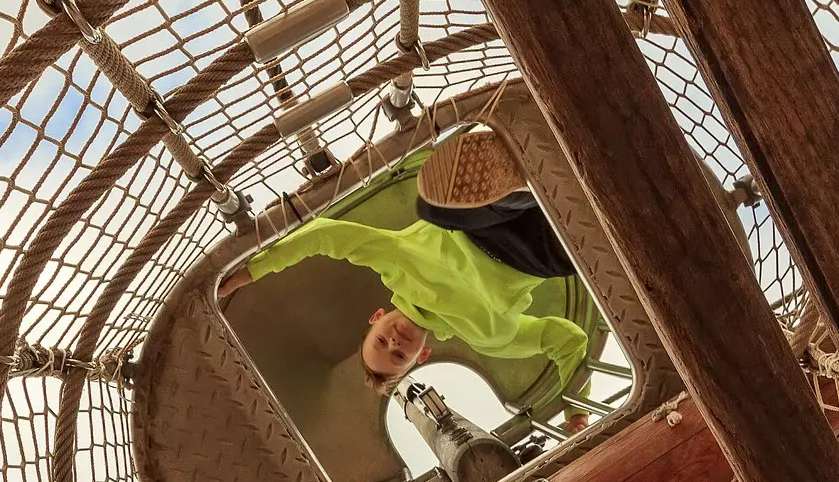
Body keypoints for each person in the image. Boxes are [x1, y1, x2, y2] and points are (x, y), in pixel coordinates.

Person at [219, 128, 588, 397]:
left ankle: (522, 182)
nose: (395, 341)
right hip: (538, 257)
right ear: (422, 355)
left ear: (377, 317)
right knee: (574, 257)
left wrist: (251, 272)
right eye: (399, 354)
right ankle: (568, 203)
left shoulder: (394, 265)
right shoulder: (487, 337)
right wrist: (576, 410)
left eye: (381, 340)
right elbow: (566, 340)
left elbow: (323, 235)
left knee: (434, 205)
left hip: (478, 227)